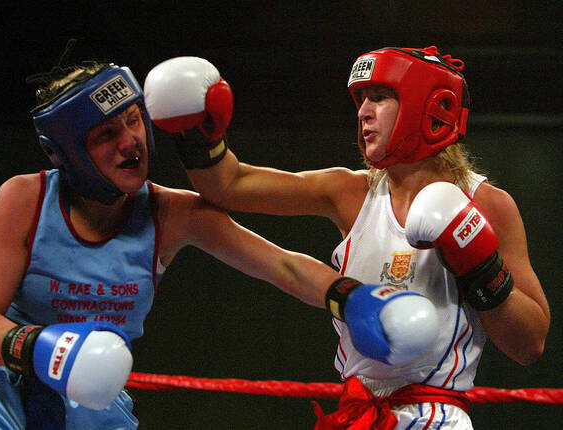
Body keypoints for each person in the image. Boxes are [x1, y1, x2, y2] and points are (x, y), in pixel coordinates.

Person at [0, 43, 441, 430]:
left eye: (133, 119)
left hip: (92, 396)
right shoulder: (25, 200)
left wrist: (356, 300)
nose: (131, 141)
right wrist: (48, 350)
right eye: (107, 134)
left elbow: (285, 266)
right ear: (68, 154)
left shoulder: (172, 212)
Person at [144, 46, 551, 429]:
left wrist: (480, 265)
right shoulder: (350, 193)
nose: (364, 113)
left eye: (379, 97)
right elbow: (229, 185)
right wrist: (198, 134)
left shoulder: (486, 205)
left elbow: (529, 343)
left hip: (439, 415)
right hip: (356, 412)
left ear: (429, 107)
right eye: (361, 100)